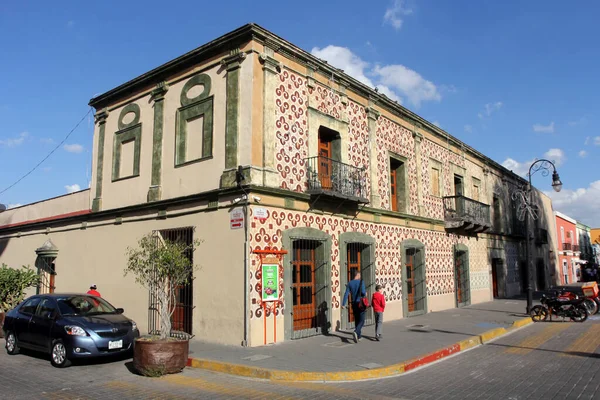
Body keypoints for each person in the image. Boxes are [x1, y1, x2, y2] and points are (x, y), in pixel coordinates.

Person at [341, 271, 366, 343]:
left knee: (357, 319)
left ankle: (359, 336)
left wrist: (343, 304)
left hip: (354, 303)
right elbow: (363, 292)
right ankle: (356, 331)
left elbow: (346, 294)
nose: (360, 277)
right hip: (360, 303)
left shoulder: (350, 283)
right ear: (357, 275)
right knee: (362, 320)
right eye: (359, 275)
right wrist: (365, 293)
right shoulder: (361, 282)